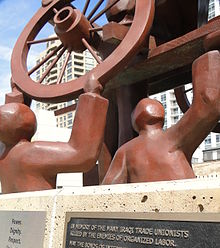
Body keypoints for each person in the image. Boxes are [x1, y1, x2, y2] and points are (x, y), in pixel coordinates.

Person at [102, 50, 220, 184]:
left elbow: (108, 187)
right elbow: (208, 105)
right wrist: (208, 56)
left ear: (135, 121)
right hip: (182, 199)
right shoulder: (173, 138)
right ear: (162, 116)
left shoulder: (124, 151)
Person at [0, 78, 108, 193]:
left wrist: (15, 93)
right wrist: (92, 96)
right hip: (38, 208)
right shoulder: (31, 153)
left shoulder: (3, 153)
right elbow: (81, 153)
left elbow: (8, 120)